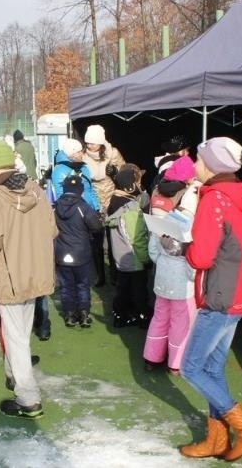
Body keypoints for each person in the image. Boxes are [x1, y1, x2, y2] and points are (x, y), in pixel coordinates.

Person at [179, 136, 242, 462]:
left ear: (212, 165)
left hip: (221, 295)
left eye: (200, 160)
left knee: (191, 368)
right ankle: (217, 441)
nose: (196, 166)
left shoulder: (214, 199)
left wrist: (181, 247)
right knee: (213, 370)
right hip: (239, 292)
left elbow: (201, 256)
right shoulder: (237, 195)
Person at [0, 140, 57, 419]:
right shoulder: (37, 190)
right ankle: (14, 376)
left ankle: (28, 398)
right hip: (35, 271)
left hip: (9, 275)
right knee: (21, 334)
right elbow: (52, 230)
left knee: (16, 338)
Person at [143, 158, 199, 374]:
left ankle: (151, 357)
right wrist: (194, 274)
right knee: (181, 323)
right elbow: (193, 253)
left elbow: (153, 249)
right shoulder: (189, 218)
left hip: (162, 277)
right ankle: (176, 363)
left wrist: (163, 262)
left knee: (159, 318)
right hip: (183, 281)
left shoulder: (158, 207)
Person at [53, 174, 103, 328]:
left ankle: (69, 315)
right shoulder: (83, 207)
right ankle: (84, 314)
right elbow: (96, 227)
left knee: (66, 285)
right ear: (80, 190)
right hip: (81, 252)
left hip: (61, 252)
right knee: (82, 284)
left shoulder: (55, 207)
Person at [82, 124, 126, 286]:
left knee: (114, 239)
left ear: (101, 142)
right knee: (96, 242)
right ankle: (100, 276)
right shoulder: (83, 157)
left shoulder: (112, 153)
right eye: (88, 142)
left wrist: (115, 173)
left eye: (93, 142)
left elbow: (126, 172)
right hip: (94, 203)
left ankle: (115, 273)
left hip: (112, 201)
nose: (90, 145)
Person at [106, 166, 150, 328]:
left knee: (122, 289)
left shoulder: (115, 201)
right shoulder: (131, 209)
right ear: (131, 186)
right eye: (137, 181)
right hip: (135, 258)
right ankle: (142, 316)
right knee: (139, 291)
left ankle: (120, 316)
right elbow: (137, 239)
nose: (139, 184)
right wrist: (146, 258)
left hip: (120, 257)